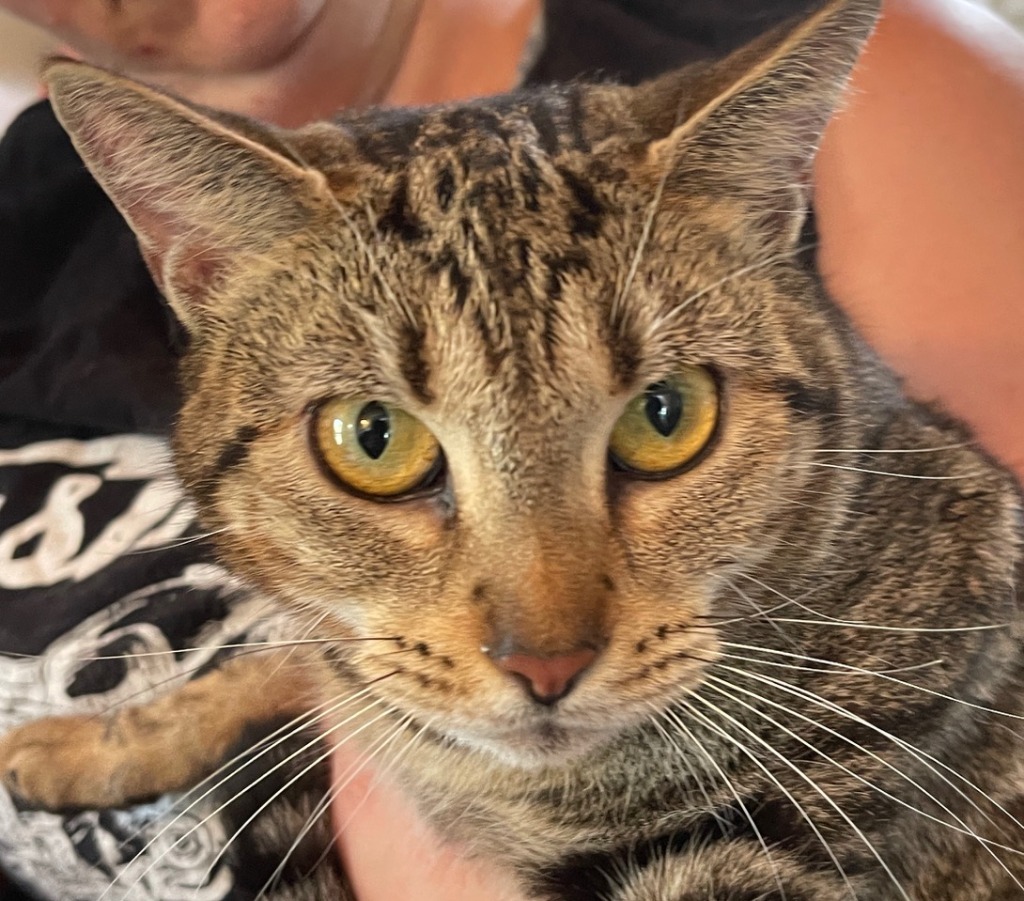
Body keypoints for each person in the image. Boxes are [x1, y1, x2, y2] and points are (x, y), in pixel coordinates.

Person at [0, 1, 1021, 899]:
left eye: (660, 422)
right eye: (380, 445)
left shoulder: (802, 58)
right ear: (202, 259)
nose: (546, 638)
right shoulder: (32, 213)